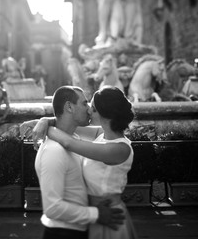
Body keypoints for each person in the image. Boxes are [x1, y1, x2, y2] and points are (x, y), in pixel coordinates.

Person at [21, 86, 137, 239]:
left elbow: (68, 142)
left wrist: (44, 126)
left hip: (110, 216)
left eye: (93, 108)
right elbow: (64, 125)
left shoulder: (120, 149)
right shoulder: (102, 134)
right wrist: (44, 121)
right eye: (86, 105)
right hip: (94, 216)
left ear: (107, 116)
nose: (89, 110)